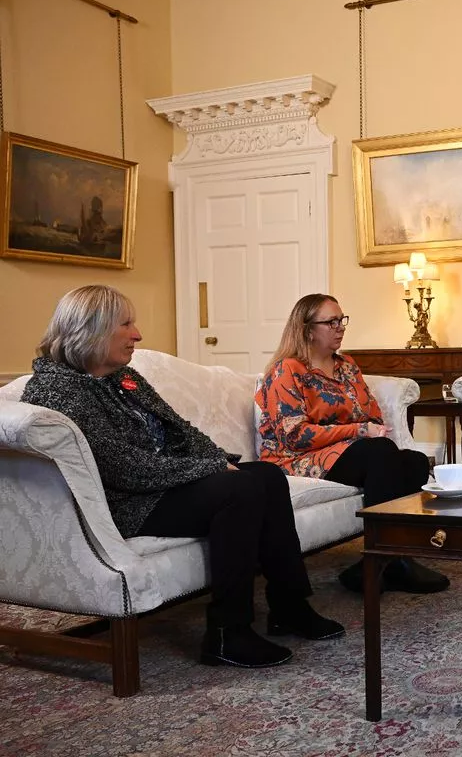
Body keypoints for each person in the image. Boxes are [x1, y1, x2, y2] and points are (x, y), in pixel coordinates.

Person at [21, 285, 344, 670]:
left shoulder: (123, 377)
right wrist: (209, 469)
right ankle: (227, 632)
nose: (137, 334)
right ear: (91, 329)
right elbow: (122, 468)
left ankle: (289, 605)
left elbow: (180, 430)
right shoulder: (58, 389)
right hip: (128, 503)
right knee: (239, 490)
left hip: (164, 485)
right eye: (126, 324)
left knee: (266, 477)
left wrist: (218, 459)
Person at [257, 294, 450, 596]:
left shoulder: (347, 366)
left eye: (341, 320)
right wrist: (359, 429)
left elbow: (370, 412)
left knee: (413, 461)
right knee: (379, 453)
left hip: (347, 451)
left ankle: (386, 559)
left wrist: (367, 428)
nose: (340, 327)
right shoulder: (287, 371)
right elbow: (294, 435)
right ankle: (389, 559)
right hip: (295, 457)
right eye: (331, 322)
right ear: (307, 329)